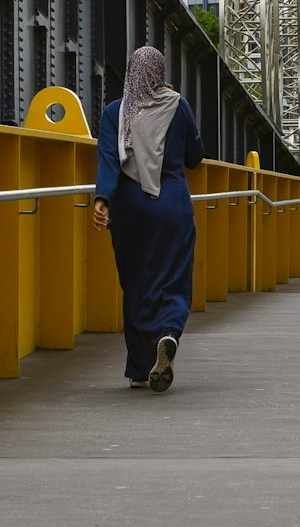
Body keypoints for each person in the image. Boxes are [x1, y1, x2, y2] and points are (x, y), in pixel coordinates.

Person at [93, 45, 205, 393]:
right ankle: (168, 334)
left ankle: (140, 368)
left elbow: (109, 161)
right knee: (173, 278)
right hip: (171, 205)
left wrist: (102, 200)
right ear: (159, 73)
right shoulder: (178, 106)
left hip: (129, 211)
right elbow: (195, 158)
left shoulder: (115, 113)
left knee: (137, 283)